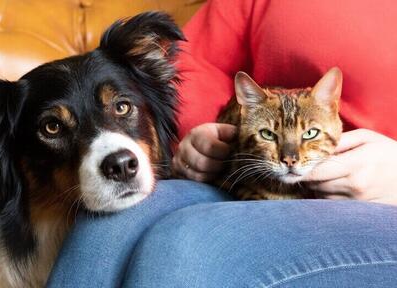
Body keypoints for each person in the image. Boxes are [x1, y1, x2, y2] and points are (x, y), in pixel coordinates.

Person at [46, 0, 397, 286]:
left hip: (385, 208)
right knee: (107, 230)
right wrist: (198, 135)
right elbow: (197, 62)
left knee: (187, 245)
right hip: (250, 172)